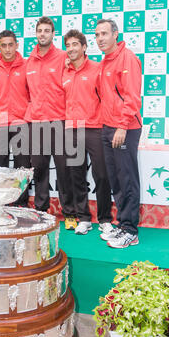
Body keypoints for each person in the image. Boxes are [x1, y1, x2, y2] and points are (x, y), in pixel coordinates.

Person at [95, 19, 142, 248]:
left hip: (125, 128)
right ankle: (123, 225)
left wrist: (122, 125)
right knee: (116, 180)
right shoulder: (105, 62)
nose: (100, 38)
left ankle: (131, 230)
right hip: (107, 127)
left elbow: (132, 96)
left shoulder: (128, 58)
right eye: (97, 35)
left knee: (127, 179)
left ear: (115, 34)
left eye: (104, 33)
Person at [25, 16, 75, 227]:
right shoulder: (29, 61)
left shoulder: (64, 57)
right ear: (36, 34)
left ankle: (70, 213)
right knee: (39, 169)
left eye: (47, 30)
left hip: (59, 122)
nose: (43, 34)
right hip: (36, 123)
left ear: (53, 34)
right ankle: (41, 211)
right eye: (40, 30)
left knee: (64, 170)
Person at [63, 29, 113, 235]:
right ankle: (83, 218)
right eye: (68, 45)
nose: (71, 49)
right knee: (76, 175)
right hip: (71, 129)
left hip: (95, 128)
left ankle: (104, 219)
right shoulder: (64, 71)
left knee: (101, 175)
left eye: (75, 44)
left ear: (84, 47)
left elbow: (107, 98)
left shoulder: (97, 69)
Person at [0, 29, 31, 206]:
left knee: (22, 168)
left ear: (17, 45)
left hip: (21, 123)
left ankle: (21, 204)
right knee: (0, 168)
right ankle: (2, 204)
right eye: (3, 46)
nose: (7, 49)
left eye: (10, 45)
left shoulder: (27, 65)